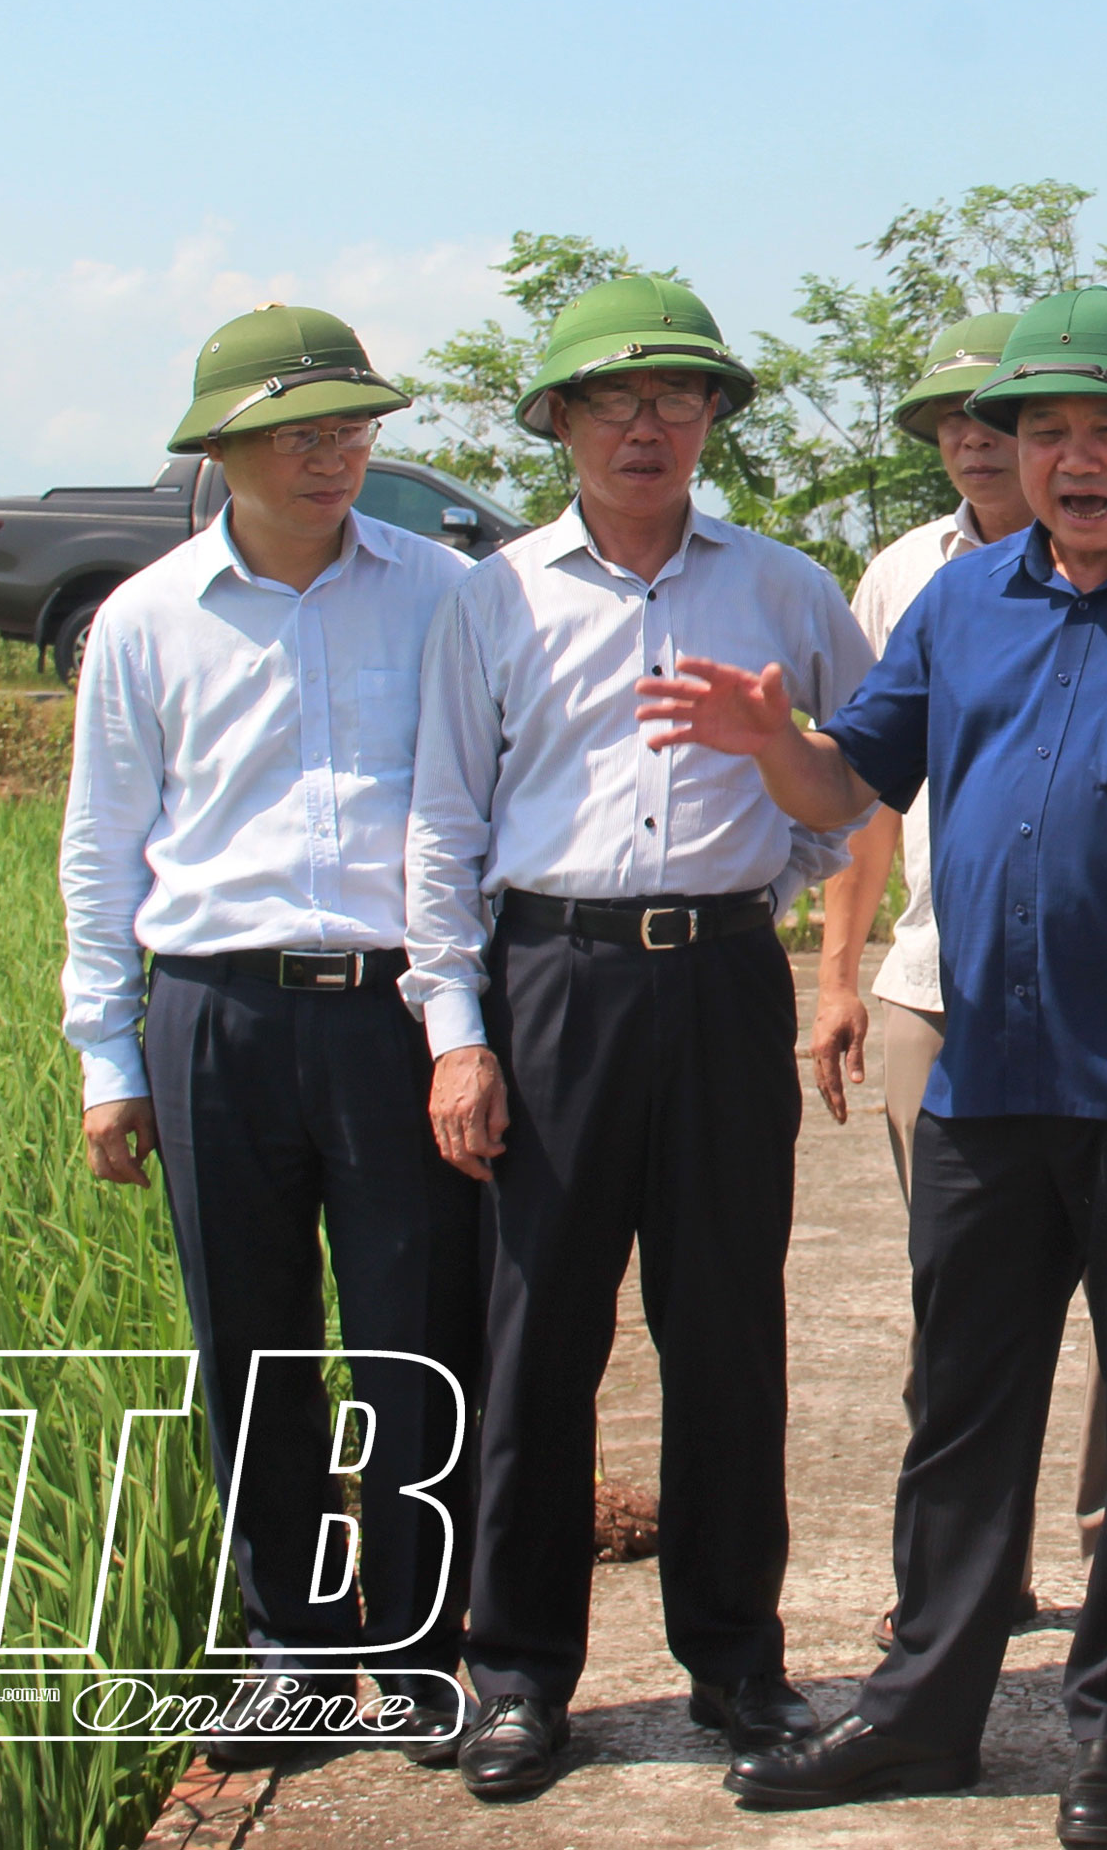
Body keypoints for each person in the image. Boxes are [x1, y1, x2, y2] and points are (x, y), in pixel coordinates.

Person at [639, 286, 1107, 1849]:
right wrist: (774, 745)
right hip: (984, 1069)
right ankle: (923, 1708)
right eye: (1047, 430)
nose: (1075, 458)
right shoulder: (964, 598)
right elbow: (850, 781)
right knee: (962, 1406)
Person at [402, 276, 871, 1801]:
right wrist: (457, 1030)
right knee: (540, 1337)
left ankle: (737, 1661)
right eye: (614, 398)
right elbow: (443, 824)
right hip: (554, 981)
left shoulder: (785, 588)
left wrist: (774, 870)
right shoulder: (493, 599)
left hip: (722, 982)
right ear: (559, 421)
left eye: (678, 395)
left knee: (727, 1329)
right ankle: (519, 1672)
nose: (647, 423)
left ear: (715, 416)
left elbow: (855, 776)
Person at [60, 304, 480, 1767]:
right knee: (249, 1343)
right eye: (299, 432)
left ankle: (420, 1651)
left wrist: (464, 1024)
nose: (332, 455)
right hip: (214, 1010)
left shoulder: (444, 594)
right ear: (222, 449)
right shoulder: (149, 617)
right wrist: (108, 1053)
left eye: (352, 426)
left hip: (393, 1008)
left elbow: (475, 806)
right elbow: (104, 841)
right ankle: (293, 1651)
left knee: (418, 1337)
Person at [806, 312, 1107, 1641]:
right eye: (953, 421)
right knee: (961, 1295)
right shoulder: (906, 577)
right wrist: (841, 974)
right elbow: (866, 791)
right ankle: (963, 1574)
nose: (976, 441)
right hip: (941, 983)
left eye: (1003, 417)